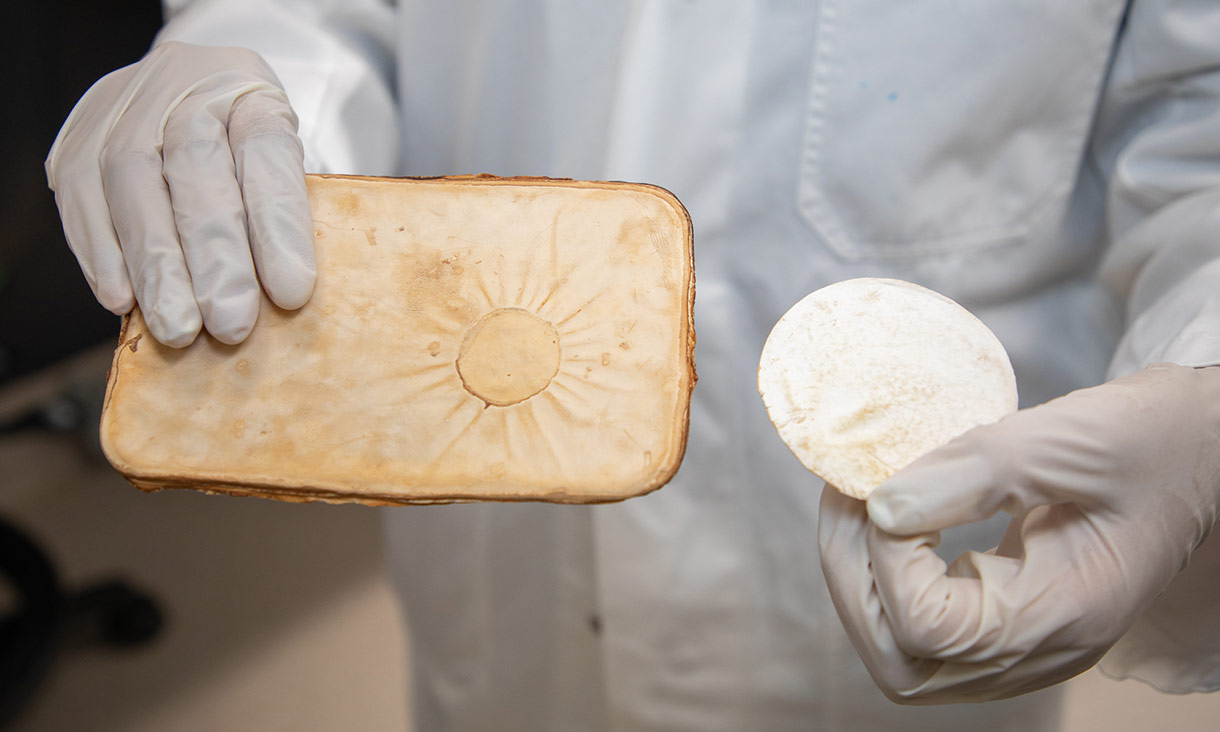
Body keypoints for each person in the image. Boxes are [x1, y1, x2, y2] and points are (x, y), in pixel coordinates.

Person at [44, 1, 1220, 729]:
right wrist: (251, 74)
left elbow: (1198, 113)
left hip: (895, 571)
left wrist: (1205, 402)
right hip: (505, 575)